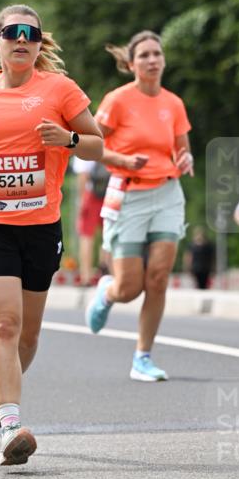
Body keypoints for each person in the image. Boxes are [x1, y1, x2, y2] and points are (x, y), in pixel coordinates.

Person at [0, 4, 103, 466]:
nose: (22, 40)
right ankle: (11, 426)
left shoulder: (60, 89)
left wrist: (69, 140)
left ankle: (1, 394)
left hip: (40, 226)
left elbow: (98, 145)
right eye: (13, 32)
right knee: (5, 325)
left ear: (38, 43)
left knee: (27, 337)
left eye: (31, 34)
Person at [85, 30, 193, 380]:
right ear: (131, 64)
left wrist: (186, 159)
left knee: (158, 278)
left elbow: (182, 149)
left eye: (156, 53)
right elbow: (89, 145)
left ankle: (142, 357)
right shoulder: (117, 100)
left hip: (167, 193)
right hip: (128, 194)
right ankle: (108, 293)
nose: (152, 60)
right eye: (144, 55)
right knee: (130, 288)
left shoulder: (173, 103)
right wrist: (122, 160)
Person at [72, 156, 108, 285]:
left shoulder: (83, 147)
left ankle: (86, 276)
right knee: (107, 235)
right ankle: (105, 271)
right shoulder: (108, 144)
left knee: (86, 236)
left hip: (90, 196)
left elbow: (83, 176)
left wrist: (81, 200)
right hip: (109, 194)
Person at [183, 226, 215, 290]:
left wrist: (213, 268)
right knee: (197, 285)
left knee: (204, 285)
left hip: (206, 268)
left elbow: (212, 257)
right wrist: (187, 267)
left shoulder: (208, 245)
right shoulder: (191, 245)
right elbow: (188, 256)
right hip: (195, 268)